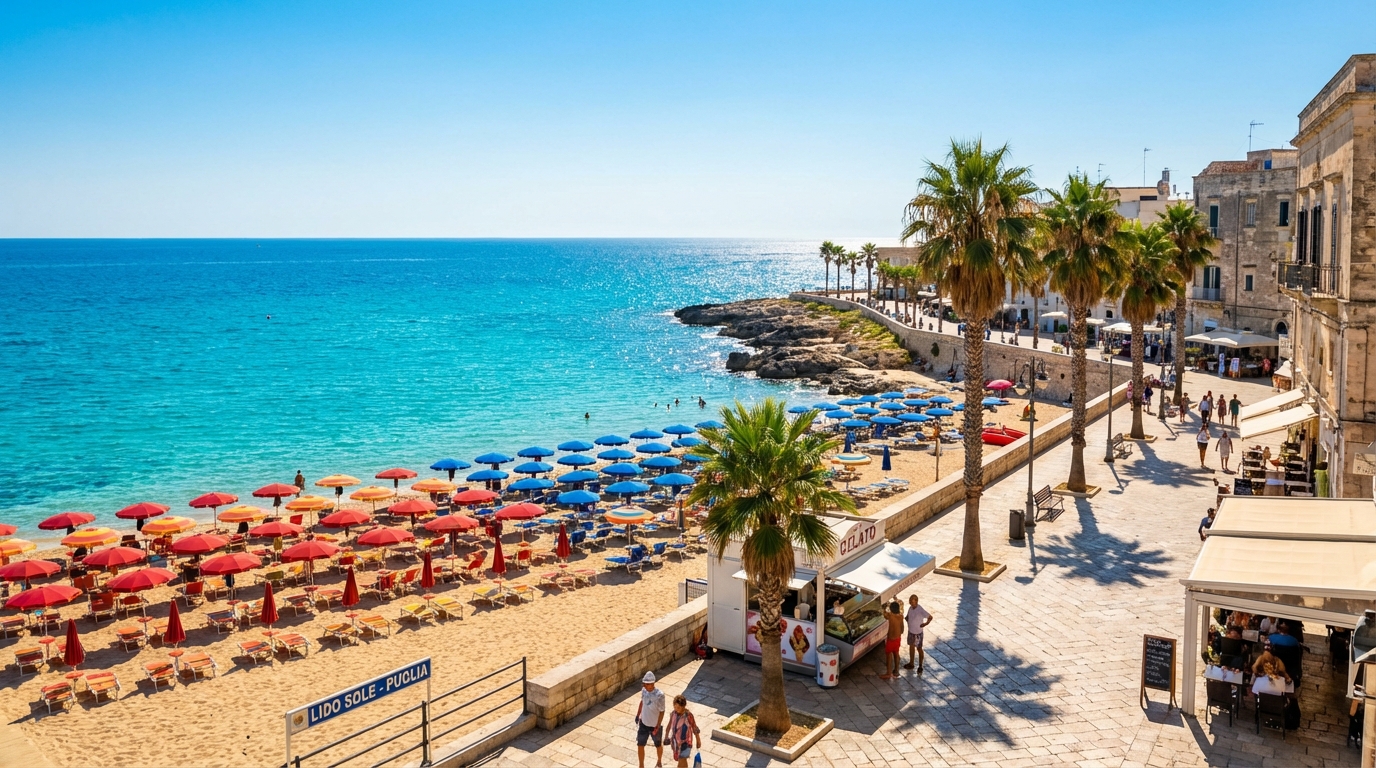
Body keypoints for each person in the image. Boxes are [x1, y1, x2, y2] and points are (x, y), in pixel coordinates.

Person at [635, 671, 666, 768]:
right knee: (640, 744)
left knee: (658, 744)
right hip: (643, 723)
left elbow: (662, 711)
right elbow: (642, 702)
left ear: (652, 684)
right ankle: (641, 765)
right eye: (645, 684)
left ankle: (659, 761)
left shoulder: (660, 695)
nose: (645, 686)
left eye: (647, 684)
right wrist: (638, 714)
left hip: (654, 725)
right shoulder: (644, 690)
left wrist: (658, 725)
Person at [666, 695, 701, 768]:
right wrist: (666, 736)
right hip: (676, 742)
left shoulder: (688, 715)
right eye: (675, 707)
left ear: (683, 706)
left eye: (678, 707)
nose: (676, 709)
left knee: (682, 760)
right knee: (682, 761)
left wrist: (698, 740)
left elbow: (694, 727)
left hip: (686, 743)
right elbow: (669, 725)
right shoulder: (673, 713)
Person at [904, 594, 933, 672]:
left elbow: (930, 617)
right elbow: (908, 617)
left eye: (912, 601)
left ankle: (920, 666)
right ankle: (911, 663)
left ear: (916, 601)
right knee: (911, 647)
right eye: (910, 601)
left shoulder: (920, 610)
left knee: (919, 648)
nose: (910, 603)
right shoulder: (910, 608)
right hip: (911, 632)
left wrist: (925, 624)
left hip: (918, 633)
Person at [880, 600, 904, 680]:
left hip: (891, 639)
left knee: (888, 655)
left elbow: (884, 614)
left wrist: (884, 607)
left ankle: (888, 673)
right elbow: (902, 629)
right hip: (898, 638)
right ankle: (896, 671)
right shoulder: (901, 617)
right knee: (896, 654)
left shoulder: (890, 616)